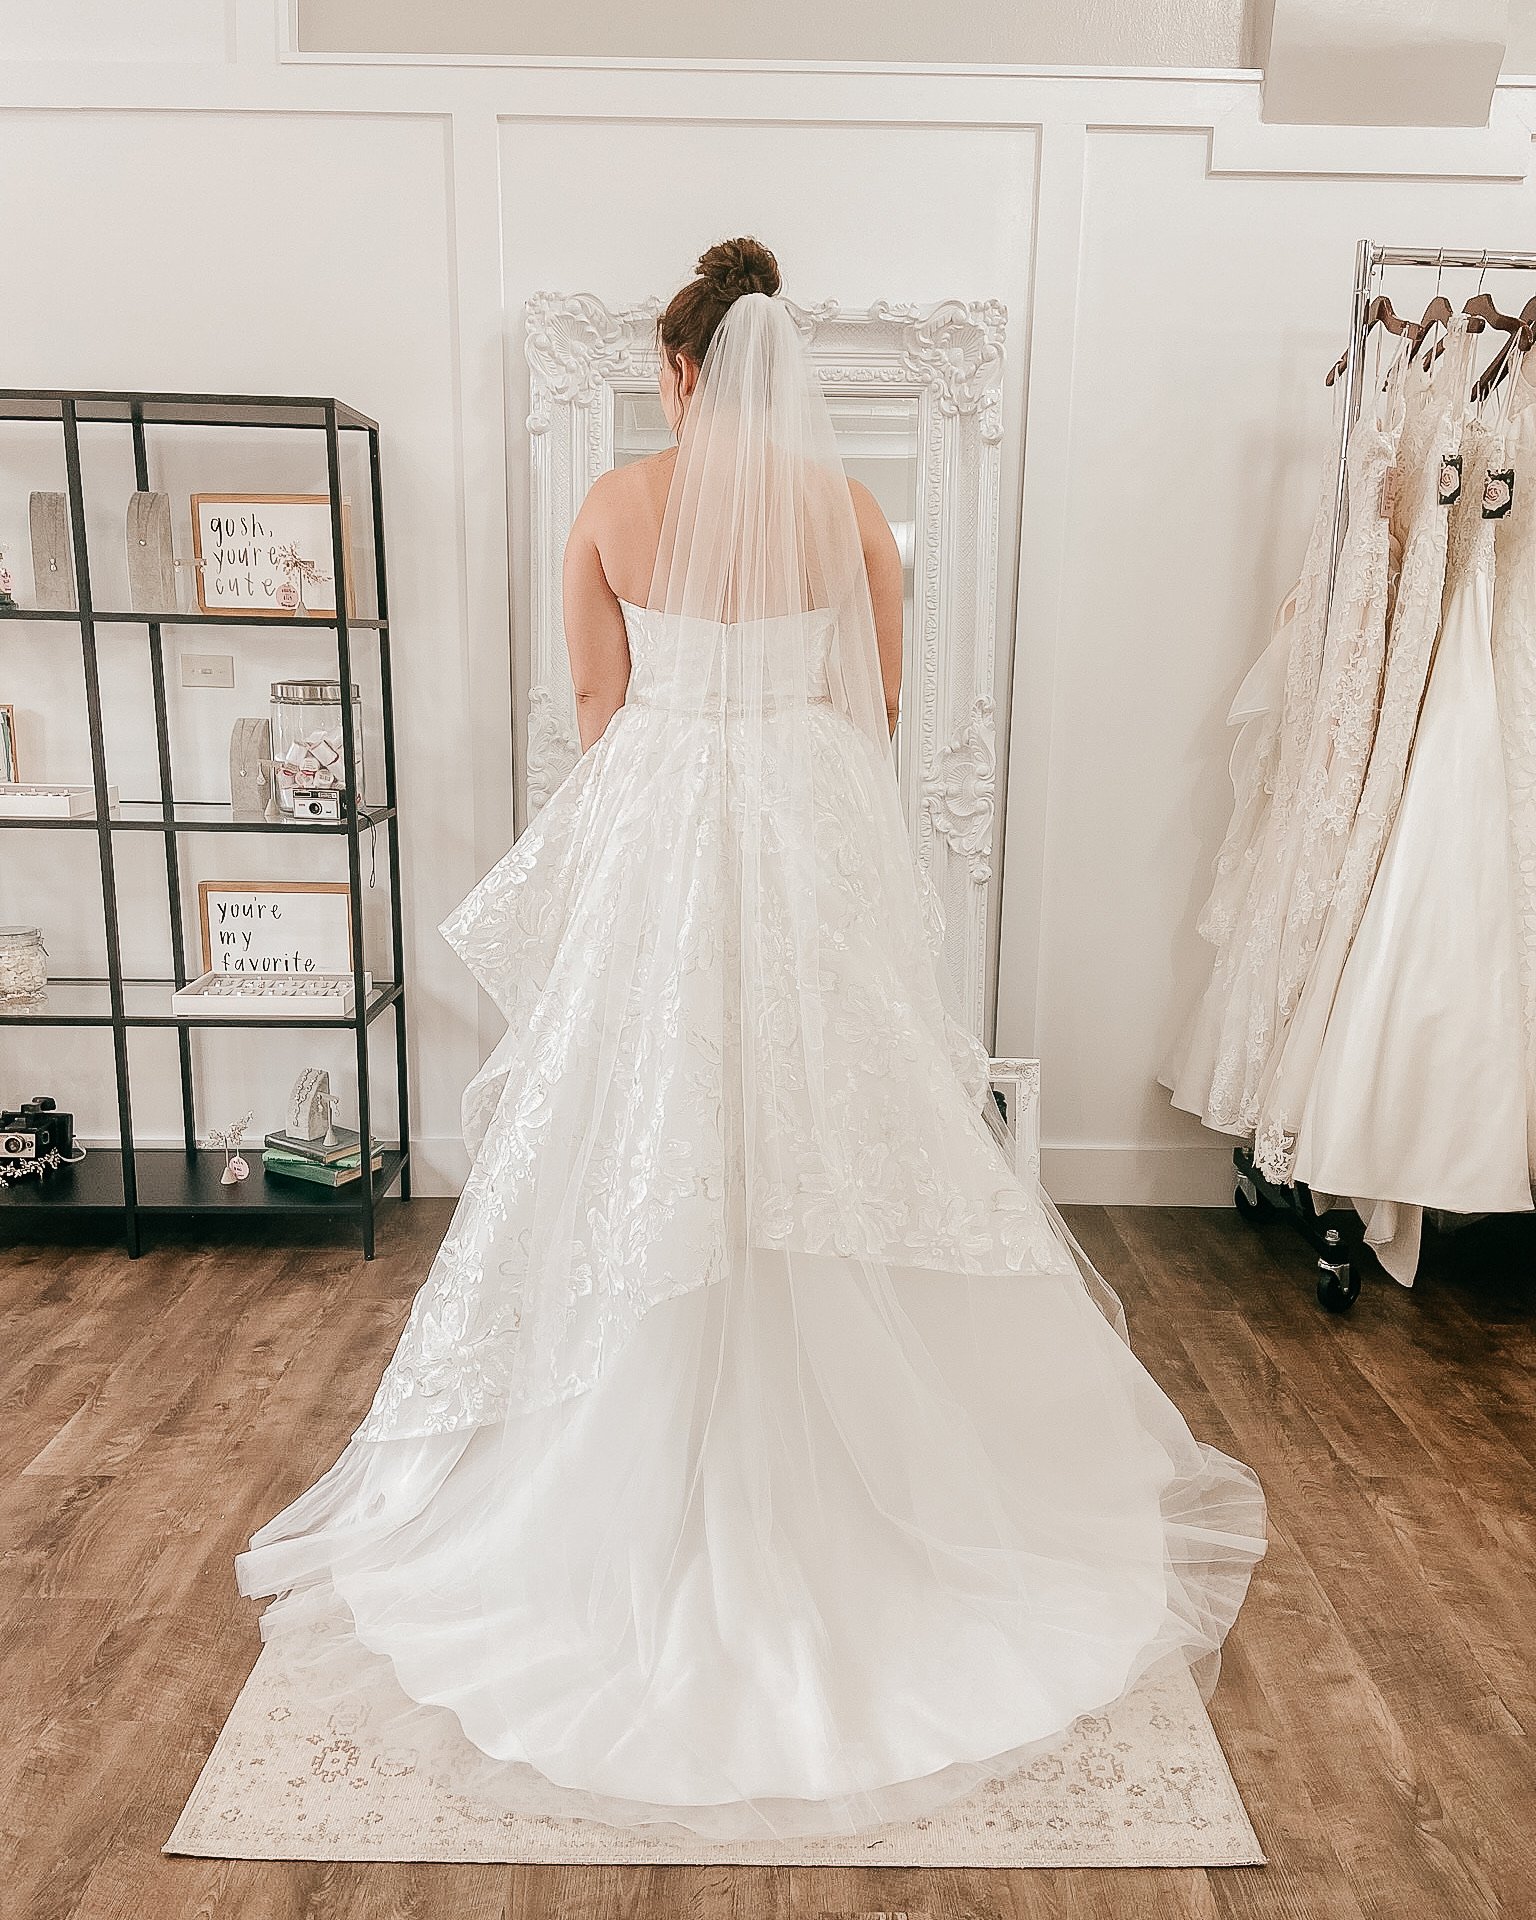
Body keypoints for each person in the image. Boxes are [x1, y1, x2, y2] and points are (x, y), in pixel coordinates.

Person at [237, 236, 1266, 1843]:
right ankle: (874, 1477)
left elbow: (591, 716)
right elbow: (880, 712)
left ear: (680, 367)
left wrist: (673, 767)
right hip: (801, 822)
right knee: (829, 1115)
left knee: (642, 1109)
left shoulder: (611, 509)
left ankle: (606, 1465)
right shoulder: (852, 513)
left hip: (662, 826)